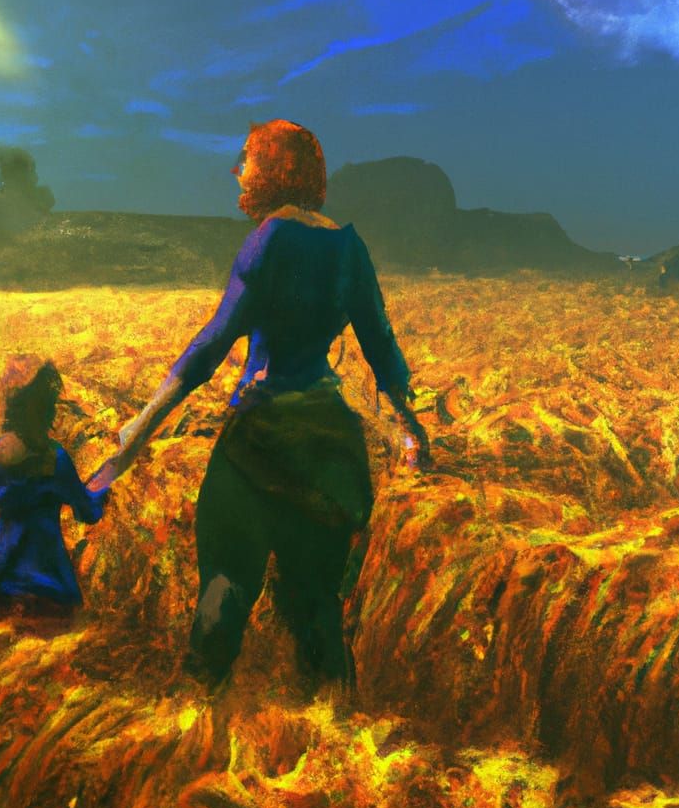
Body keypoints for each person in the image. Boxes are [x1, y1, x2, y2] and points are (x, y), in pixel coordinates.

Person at [89, 118, 429, 690]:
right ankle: (336, 738)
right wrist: (410, 428)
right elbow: (383, 350)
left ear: (273, 169)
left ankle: (196, 726)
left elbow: (211, 346)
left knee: (226, 585)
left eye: (246, 157)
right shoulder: (349, 246)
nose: (236, 169)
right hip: (332, 448)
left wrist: (137, 432)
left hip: (261, 441)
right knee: (320, 610)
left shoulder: (269, 238)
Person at [0, 357, 106, 610]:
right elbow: (88, 513)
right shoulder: (56, 458)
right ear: (47, 411)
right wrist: (101, 491)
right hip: (51, 587)